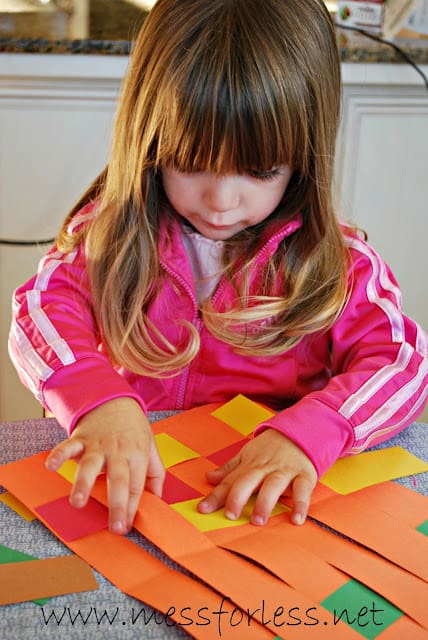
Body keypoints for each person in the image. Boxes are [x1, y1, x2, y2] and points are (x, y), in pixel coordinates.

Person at [9, 0, 427, 536]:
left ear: (304, 159)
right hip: (137, 490)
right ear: (150, 141)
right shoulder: (109, 236)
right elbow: (39, 311)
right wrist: (97, 402)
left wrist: (315, 431)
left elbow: (401, 364)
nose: (221, 201)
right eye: (190, 162)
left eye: (258, 171)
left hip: (266, 508)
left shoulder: (341, 268)